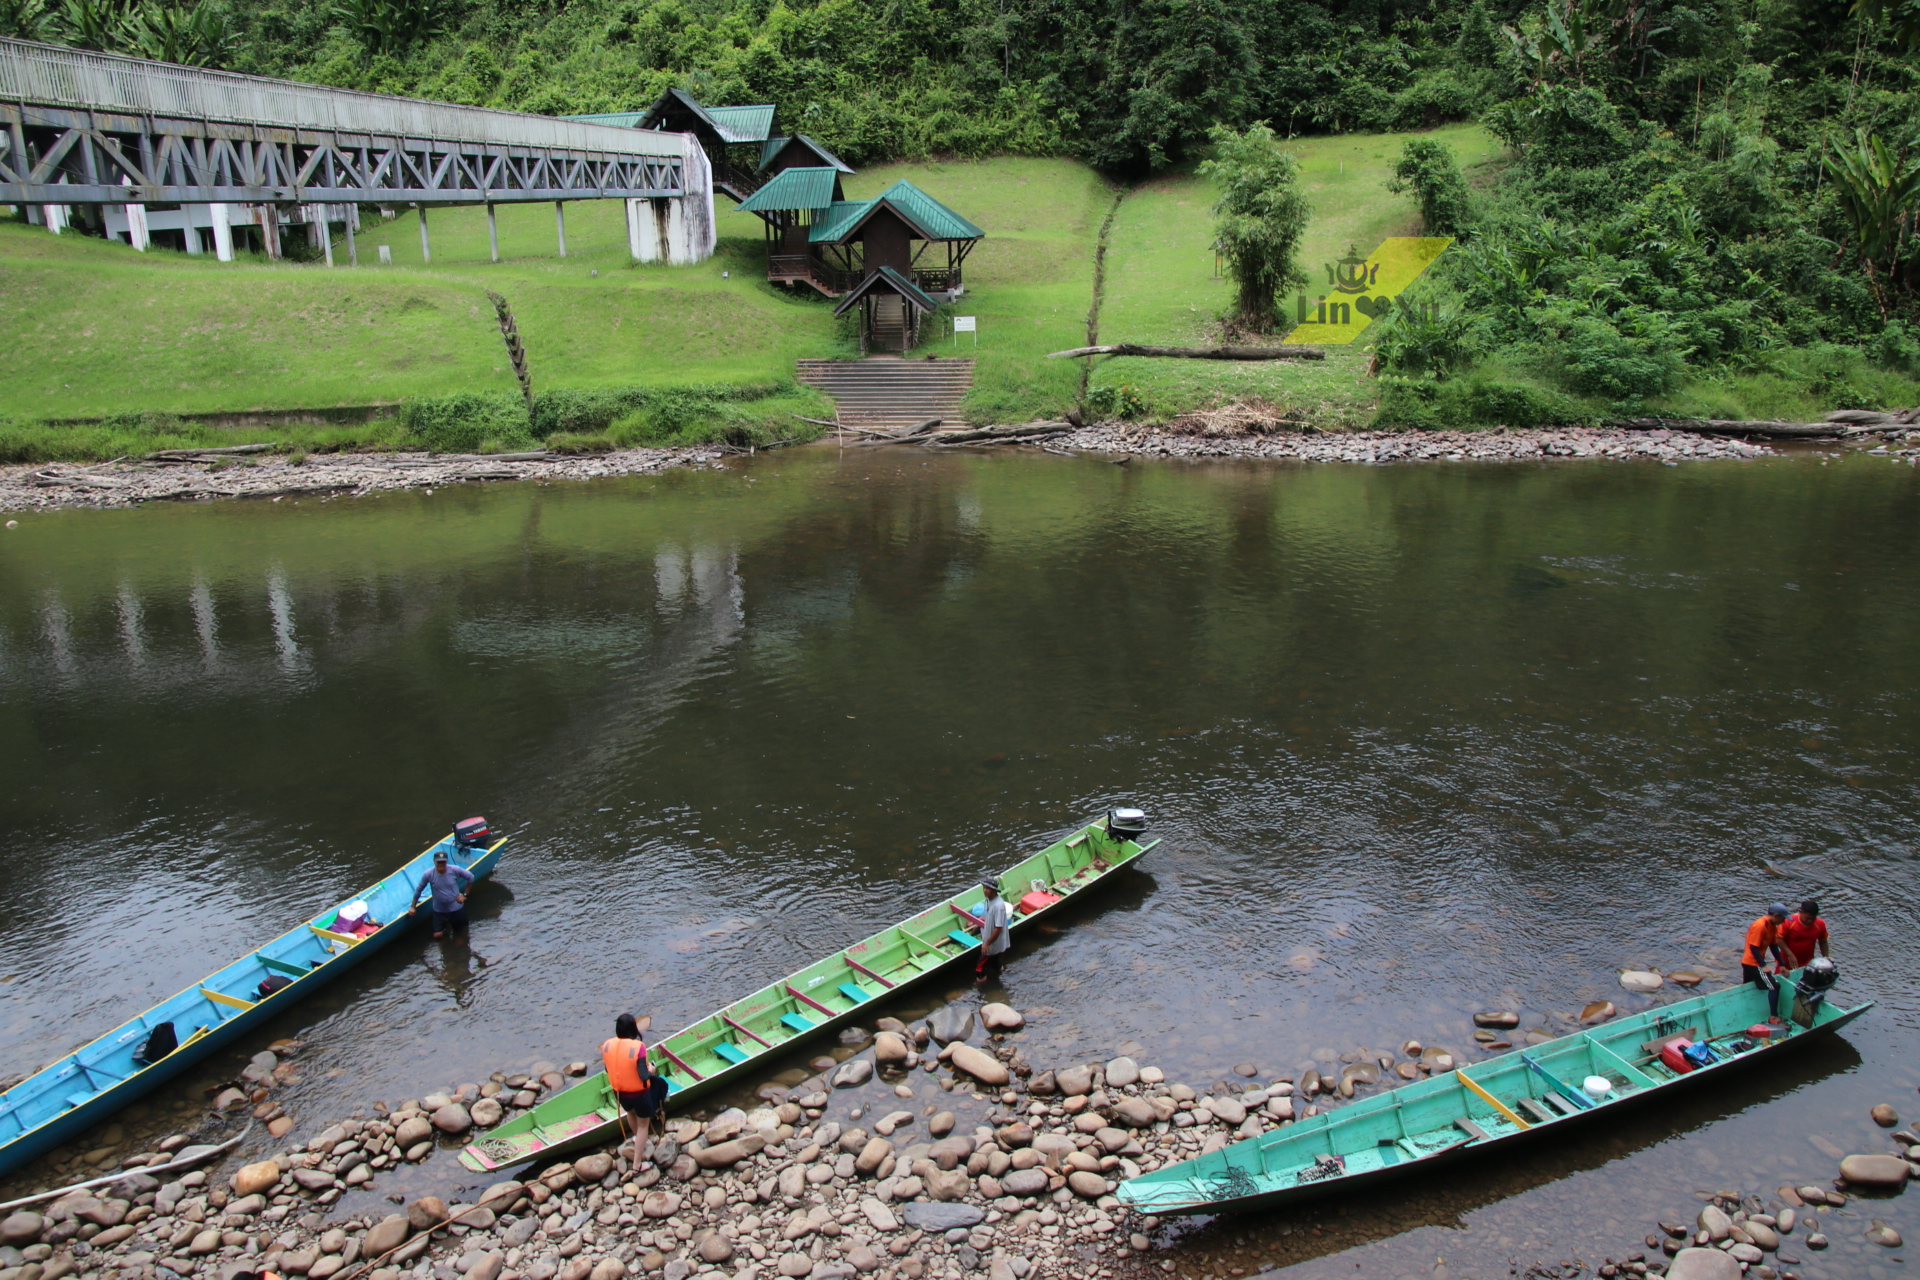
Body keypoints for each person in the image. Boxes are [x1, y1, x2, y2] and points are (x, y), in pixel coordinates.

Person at [602, 1013, 667, 1166]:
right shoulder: (639, 1047)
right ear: (633, 1029)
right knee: (644, 1124)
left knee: (631, 1113)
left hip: (620, 1094)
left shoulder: (607, 1045)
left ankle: (638, 1140)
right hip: (639, 1095)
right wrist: (652, 1069)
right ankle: (637, 1164)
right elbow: (644, 1076)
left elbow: (608, 1068)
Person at [410, 849, 475, 940]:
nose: (441, 865)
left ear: (446, 862)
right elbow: (419, 889)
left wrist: (465, 895)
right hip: (439, 910)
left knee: (461, 934)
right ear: (434, 862)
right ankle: (446, 948)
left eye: (443, 863)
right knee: (437, 936)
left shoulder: (454, 870)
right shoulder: (428, 874)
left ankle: (458, 948)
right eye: (438, 863)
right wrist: (413, 906)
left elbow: (471, 877)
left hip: (456, 908)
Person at [1742, 902, 1791, 1022]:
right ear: (1776, 916)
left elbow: (1774, 947)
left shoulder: (1772, 926)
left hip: (1755, 963)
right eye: (1783, 918)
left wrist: (1782, 964)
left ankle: (1747, 1010)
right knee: (1774, 986)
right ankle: (1773, 1016)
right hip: (1753, 963)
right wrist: (1763, 965)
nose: (1783, 921)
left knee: (1748, 986)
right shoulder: (1760, 925)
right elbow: (1753, 947)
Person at [1780, 898, 1831, 969]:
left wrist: (1826, 958)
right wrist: (1790, 955)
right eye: (1807, 918)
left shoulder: (1820, 924)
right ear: (1801, 912)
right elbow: (1778, 940)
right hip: (1787, 961)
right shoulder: (1789, 921)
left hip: (1807, 964)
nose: (1810, 921)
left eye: (1813, 919)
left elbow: (1823, 941)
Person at [975, 880, 1012, 979]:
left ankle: (979, 990)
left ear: (994, 890)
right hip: (992, 941)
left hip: (993, 943)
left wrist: (987, 943)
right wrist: (985, 918)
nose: (985, 891)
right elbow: (989, 914)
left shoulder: (998, 906)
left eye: (988, 889)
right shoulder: (988, 900)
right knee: (995, 961)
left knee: (980, 969)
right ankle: (1000, 972)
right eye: (984, 888)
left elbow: (998, 928)